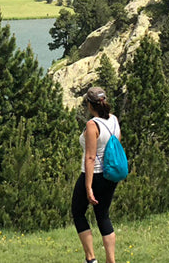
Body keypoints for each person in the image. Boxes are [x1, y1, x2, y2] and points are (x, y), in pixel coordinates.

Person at [71, 86, 120, 263]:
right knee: (103, 216)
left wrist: (88, 186)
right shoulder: (114, 120)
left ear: (90, 105)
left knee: (78, 212)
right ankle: (111, 260)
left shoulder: (93, 125)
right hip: (110, 175)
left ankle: (91, 259)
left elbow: (90, 157)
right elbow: (115, 145)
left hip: (95, 175)